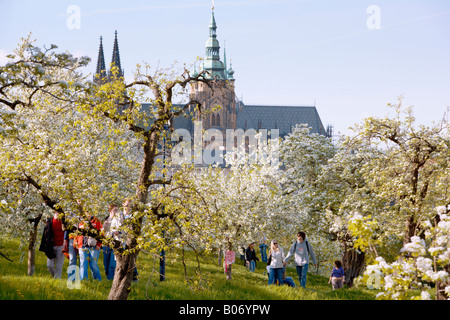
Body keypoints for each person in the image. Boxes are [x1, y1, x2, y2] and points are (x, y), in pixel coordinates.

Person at [75, 211, 103, 281]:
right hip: (83, 246)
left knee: (93, 264)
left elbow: (102, 233)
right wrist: (77, 244)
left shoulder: (97, 221)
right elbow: (77, 234)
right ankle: (84, 281)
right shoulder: (81, 221)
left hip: (94, 246)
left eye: (89, 211)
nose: (87, 213)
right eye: (86, 211)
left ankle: (97, 280)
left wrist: (99, 244)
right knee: (83, 264)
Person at [39, 211, 66, 279]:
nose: (58, 213)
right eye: (57, 211)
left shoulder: (64, 221)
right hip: (51, 246)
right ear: (54, 212)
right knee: (49, 266)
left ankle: (57, 281)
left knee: (58, 266)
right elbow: (45, 234)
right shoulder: (50, 221)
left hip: (61, 245)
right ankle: (55, 277)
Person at [102, 203, 122, 280]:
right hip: (106, 244)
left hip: (115, 243)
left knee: (112, 264)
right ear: (110, 210)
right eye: (115, 210)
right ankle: (108, 278)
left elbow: (122, 230)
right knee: (106, 264)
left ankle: (111, 279)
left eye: (117, 210)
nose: (116, 212)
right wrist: (104, 227)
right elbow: (102, 232)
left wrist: (118, 232)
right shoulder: (106, 220)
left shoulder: (118, 220)